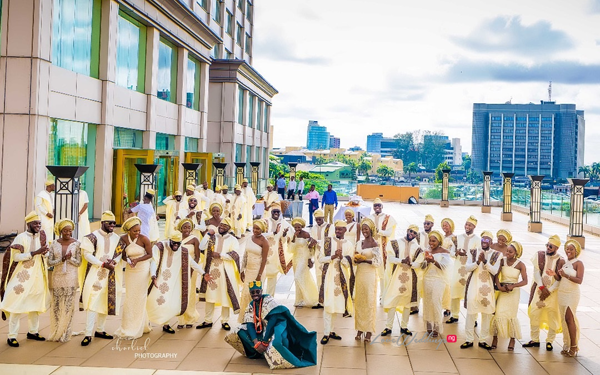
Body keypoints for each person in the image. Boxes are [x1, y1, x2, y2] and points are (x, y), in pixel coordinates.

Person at [225, 281, 318, 370]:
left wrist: (265, 341)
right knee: (239, 331)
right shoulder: (251, 305)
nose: (255, 294)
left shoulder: (268, 300)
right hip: (261, 329)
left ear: (261, 291)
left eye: (257, 291)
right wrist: (256, 342)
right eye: (252, 292)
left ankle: (270, 350)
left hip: (276, 328)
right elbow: (249, 325)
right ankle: (257, 352)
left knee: (278, 343)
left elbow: (272, 322)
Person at [0, 212, 50, 347]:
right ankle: (12, 336)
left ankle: (33, 332)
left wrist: (45, 253)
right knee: (16, 304)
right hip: (22, 276)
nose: (38, 226)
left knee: (35, 303)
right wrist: (34, 253)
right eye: (35, 223)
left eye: (39, 223)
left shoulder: (43, 236)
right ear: (28, 224)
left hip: (38, 275)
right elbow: (15, 257)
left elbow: (46, 253)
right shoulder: (20, 238)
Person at [147, 231, 206, 334]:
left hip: (173, 281)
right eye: (173, 243)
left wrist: (204, 274)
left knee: (169, 302)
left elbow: (192, 263)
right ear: (169, 240)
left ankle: (166, 324)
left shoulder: (183, 251)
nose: (175, 245)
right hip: (158, 279)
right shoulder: (159, 246)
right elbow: (154, 261)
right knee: (151, 299)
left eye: (178, 243)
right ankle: (146, 321)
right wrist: (153, 275)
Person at [79, 211, 123, 346]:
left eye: (114, 223)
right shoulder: (91, 237)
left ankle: (100, 330)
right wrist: (102, 264)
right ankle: (87, 334)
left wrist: (113, 262)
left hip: (111, 274)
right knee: (92, 301)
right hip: (95, 273)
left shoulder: (117, 238)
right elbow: (87, 255)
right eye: (109, 223)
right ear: (102, 223)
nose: (112, 225)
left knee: (105, 301)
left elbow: (119, 253)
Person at [197, 218, 242, 331]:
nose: (222, 227)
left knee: (225, 295)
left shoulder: (232, 240)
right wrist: (207, 234)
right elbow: (201, 247)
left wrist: (220, 255)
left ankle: (225, 321)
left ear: (229, 228)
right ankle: (208, 320)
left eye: (225, 226)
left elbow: (235, 254)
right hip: (211, 270)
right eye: (221, 225)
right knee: (210, 295)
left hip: (226, 271)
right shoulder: (212, 237)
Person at [460, 231, 502, 350]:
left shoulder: (497, 254)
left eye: (487, 240)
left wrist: (485, 262)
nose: (484, 242)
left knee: (486, 314)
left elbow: (494, 271)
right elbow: (467, 268)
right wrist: (478, 261)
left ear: (491, 242)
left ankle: (483, 340)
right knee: (471, 313)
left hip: (487, 288)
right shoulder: (473, 252)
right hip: (474, 285)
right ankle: (469, 339)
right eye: (483, 240)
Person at [114, 217, 153, 340]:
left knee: (140, 296)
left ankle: (138, 326)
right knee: (130, 297)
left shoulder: (144, 239)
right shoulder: (123, 239)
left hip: (142, 269)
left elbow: (150, 254)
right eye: (135, 231)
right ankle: (130, 326)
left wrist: (137, 260)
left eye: (139, 230)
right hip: (130, 270)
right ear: (129, 230)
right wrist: (129, 260)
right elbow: (123, 255)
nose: (137, 233)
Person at [381, 224, 422, 338]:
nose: (411, 234)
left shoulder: (417, 248)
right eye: (410, 231)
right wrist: (401, 260)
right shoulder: (395, 243)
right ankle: (388, 327)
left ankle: (404, 326)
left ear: (416, 235)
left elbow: (419, 263)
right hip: (396, 276)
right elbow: (390, 258)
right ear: (407, 230)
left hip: (410, 278)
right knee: (393, 300)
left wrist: (411, 263)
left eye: (414, 233)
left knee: (407, 303)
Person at [523, 234, 563, 351]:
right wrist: (541, 287)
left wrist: (549, 290)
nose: (548, 248)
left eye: (551, 246)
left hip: (552, 293)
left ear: (556, 248)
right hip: (539, 290)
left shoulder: (561, 260)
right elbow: (536, 273)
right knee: (535, 313)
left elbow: (559, 279)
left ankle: (550, 341)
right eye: (547, 245)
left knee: (553, 315)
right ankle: (535, 340)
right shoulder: (539, 255)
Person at [319, 221, 355, 345]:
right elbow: (320, 259)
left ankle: (331, 330)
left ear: (345, 230)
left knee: (336, 304)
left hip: (342, 278)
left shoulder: (349, 244)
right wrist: (332, 257)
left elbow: (349, 263)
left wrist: (342, 258)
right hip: (329, 276)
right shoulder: (327, 241)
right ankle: (325, 333)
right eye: (337, 229)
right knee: (328, 304)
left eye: (341, 229)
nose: (338, 231)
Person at [547, 240, 584, 357]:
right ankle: (567, 344)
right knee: (564, 320)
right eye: (567, 249)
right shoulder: (565, 262)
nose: (568, 251)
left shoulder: (579, 263)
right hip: (562, 293)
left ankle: (574, 346)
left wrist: (566, 275)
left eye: (571, 249)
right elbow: (560, 279)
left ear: (576, 250)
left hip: (572, 294)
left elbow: (579, 280)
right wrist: (555, 274)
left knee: (570, 318)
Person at [47, 219, 81, 342]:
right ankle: (56, 330)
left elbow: (79, 263)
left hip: (71, 277)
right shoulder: (54, 244)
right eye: (65, 231)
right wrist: (61, 260)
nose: (67, 233)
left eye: (69, 231)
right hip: (57, 276)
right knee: (56, 304)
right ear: (60, 231)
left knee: (69, 304)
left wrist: (70, 259)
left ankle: (66, 331)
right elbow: (49, 262)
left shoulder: (77, 244)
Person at [490, 241, 527, 351]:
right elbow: (496, 276)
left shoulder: (520, 264)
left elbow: (525, 281)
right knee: (498, 313)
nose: (507, 253)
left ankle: (512, 339)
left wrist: (513, 286)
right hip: (503, 290)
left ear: (516, 253)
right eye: (507, 251)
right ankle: (495, 338)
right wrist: (499, 287)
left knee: (511, 315)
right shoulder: (502, 261)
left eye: (510, 252)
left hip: (513, 292)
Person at [447, 216, 481, 324]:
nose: (467, 226)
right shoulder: (457, 238)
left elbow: (478, 255)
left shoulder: (477, 240)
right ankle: (455, 315)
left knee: (471, 295)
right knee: (454, 291)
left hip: (470, 271)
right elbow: (451, 252)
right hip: (457, 269)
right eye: (466, 224)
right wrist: (456, 253)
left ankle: (474, 319)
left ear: (474, 227)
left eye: (470, 225)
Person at [353, 218, 382, 342]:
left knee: (369, 301)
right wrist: (355, 259)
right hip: (360, 274)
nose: (364, 231)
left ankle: (369, 330)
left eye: (366, 229)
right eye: (363, 229)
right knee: (359, 301)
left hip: (370, 275)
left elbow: (378, 262)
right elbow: (354, 259)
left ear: (371, 230)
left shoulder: (375, 244)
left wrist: (364, 260)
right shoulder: (359, 243)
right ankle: (360, 328)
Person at [238, 220, 270, 322]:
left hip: (257, 270)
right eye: (254, 228)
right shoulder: (249, 238)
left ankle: (257, 318)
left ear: (262, 230)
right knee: (246, 293)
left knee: (255, 294)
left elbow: (264, 259)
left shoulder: (264, 242)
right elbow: (245, 255)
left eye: (258, 229)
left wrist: (259, 275)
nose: (255, 231)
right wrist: (242, 269)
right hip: (249, 270)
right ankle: (245, 318)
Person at [422, 230, 452, 337]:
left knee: (436, 301)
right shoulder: (426, 250)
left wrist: (433, 261)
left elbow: (444, 267)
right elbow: (422, 267)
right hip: (427, 279)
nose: (431, 243)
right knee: (428, 301)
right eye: (430, 241)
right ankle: (429, 325)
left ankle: (437, 326)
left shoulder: (445, 252)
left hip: (439, 279)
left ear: (439, 241)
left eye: (434, 241)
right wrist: (426, 260)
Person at [368, 198, 397, 302]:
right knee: (370, 272)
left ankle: (383, 295)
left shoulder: (387, 218)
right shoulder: (369, 218)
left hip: (382, 247)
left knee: (383, 273)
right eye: (375, 206)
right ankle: (371, 295)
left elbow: (388, 233)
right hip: (370, 247)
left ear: (382, 207)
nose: (377, 207)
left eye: (379, 206)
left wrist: (378, 231)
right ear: (373, 207)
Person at [175, 219, 202, 329]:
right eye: (184, 227)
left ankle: (190, 317)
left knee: (190, 292)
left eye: (188, 227)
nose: (186, 229)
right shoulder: (176, 239)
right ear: (180, 228)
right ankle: (181, 319)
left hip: (191, 269)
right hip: (178, 269)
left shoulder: (194, 239)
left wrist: (191, 269)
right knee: (179, 293)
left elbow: (197, 256)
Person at [263, 203, 293, 296]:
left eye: (277, 212)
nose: (276, 213)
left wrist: (284, 236)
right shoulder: (265, 221)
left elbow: (290, 237)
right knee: (261, 276)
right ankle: (258, 299)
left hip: (276, 254)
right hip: (264, 253)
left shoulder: (285, 223)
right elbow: (258, 234)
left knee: (273, 275)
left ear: (280, 212)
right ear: (271, 212)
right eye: (274, 211)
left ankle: (269, 298)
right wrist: (273, 233)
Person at [289, 218, 319, 307]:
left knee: (298, 276)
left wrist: (310, 259)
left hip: (304, 257)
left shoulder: (306, 234)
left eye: (299, 227)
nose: (297, 229)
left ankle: (310, 298)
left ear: (302, 226)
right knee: (298, 277)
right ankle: (299, 300)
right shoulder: (293, 235)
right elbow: (291, 248)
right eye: (295, 227)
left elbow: (311, 247)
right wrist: (294, 237)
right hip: (296, 257)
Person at [310, 209, 332, 308]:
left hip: (327, 255)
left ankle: (329, 300)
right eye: (316, 219)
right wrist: (310, 257)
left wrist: (317, 241)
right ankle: (321, 301)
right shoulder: (313, 228)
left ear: (323, 218)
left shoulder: (330, 227)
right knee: (318, 276)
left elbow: (330, 240)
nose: (318, 221)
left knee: (327, 276)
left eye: (320, 219)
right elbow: (310, 242)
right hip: (317, 255)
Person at [440, 218, 456, 317]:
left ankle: (448, 307)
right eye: (443, 225)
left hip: (449, 263)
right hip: (440, 262)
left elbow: (454, 252)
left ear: (451, 226)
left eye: (446, 225)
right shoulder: (441, 237)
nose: (444, 227)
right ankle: (442, 305)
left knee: (448, 285)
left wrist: (445, 252)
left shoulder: (454, 238)